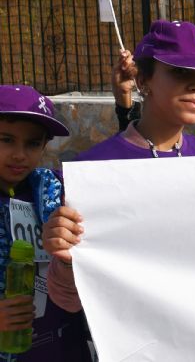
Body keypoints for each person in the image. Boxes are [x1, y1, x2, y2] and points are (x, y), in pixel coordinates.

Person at [42, 19, 195, 315]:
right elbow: (69, 302)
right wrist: (64, 258)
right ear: (143, 79)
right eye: (180, 71)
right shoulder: (93, 171)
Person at [0, 85, 91, 361]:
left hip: (64, 345)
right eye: (5, 140)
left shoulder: (61, 192)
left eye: (32, 143)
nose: (19, 154)